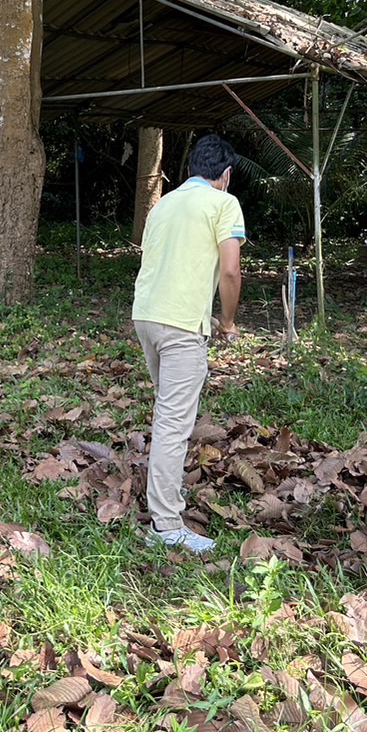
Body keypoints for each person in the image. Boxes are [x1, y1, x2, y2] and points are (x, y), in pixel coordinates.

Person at [131, 134, 246, 554]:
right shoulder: (223, 203)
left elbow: (164, 262)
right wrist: (228, 322)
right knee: (172, 424)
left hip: (147, 316)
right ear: (225, 174)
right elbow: (230, 270)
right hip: (181, 327)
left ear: (192, 167)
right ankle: (166, 523)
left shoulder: (163, 204)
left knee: (167, 412)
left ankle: (164, 496)